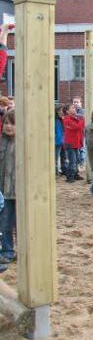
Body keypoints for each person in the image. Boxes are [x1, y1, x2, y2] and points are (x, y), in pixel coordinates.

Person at [0, 111, 17, 265]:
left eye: (12, 123)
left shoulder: (22, 144)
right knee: (5, 223)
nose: (8, 126)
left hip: (19, 192)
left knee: (20, 225)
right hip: (5, 191)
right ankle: (7, 251)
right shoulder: (2, 142)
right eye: (6, 123)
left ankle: (22, 250)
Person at [62, 102, 86, 183]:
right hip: (70, 143)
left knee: (76, 160)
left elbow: (79, 128)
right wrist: (82, 121)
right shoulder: (67, 119)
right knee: (72, 160)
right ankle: (70, 176)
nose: (74, 109)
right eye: (72, 108)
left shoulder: (75, 118)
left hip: (76, 143)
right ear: (67, 111)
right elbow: (77, 127)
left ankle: (75, 174)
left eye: (74, 108)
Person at [55, 104, 67, 176]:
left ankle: (63, 169)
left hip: (63, 140)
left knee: (64, 156)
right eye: (61, 111)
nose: (62, 112)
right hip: (57, 141)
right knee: (55, 157)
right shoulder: (55, 120)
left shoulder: (62, 119)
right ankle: (55, 171)